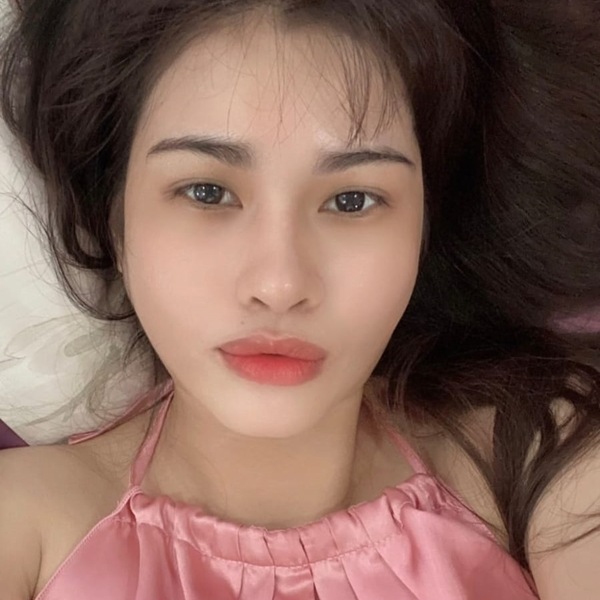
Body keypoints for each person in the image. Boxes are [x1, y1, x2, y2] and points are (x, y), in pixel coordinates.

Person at [0, 0, 599, 598]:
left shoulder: (534, 458)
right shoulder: (25, 523)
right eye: (207, 192)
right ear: (115, 221)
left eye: (352, 201)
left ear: (424, 229)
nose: (280, 286)